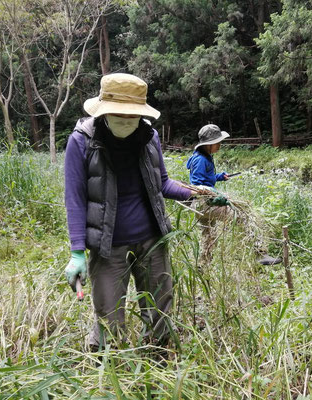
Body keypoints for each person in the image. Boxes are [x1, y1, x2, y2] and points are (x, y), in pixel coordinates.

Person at [64, 73, 194, 351]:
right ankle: (107, 372)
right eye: (118, 117)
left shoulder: (150, 136)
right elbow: (74, 198)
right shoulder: (81, 141)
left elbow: (162, 183)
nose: (125, 122)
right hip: (108, 246)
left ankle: (156, 360)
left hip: (152, 241)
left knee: (160, 312)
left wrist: (197, 193)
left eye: (131, 117)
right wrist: (76, 251)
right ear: (103, 112)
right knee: (108, 315)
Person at [186, 124, 281, 266]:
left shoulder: (203, 156)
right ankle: (260, 253)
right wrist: (216, 196)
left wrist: (219, 177)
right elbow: (198, 185)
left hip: (201, 204)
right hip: (205, 202)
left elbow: (206, 178)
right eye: (217, 142)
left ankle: (202, 267)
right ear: (209, 144)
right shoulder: (200, 160)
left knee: (209, 237)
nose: (219, 145)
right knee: (243, 214)